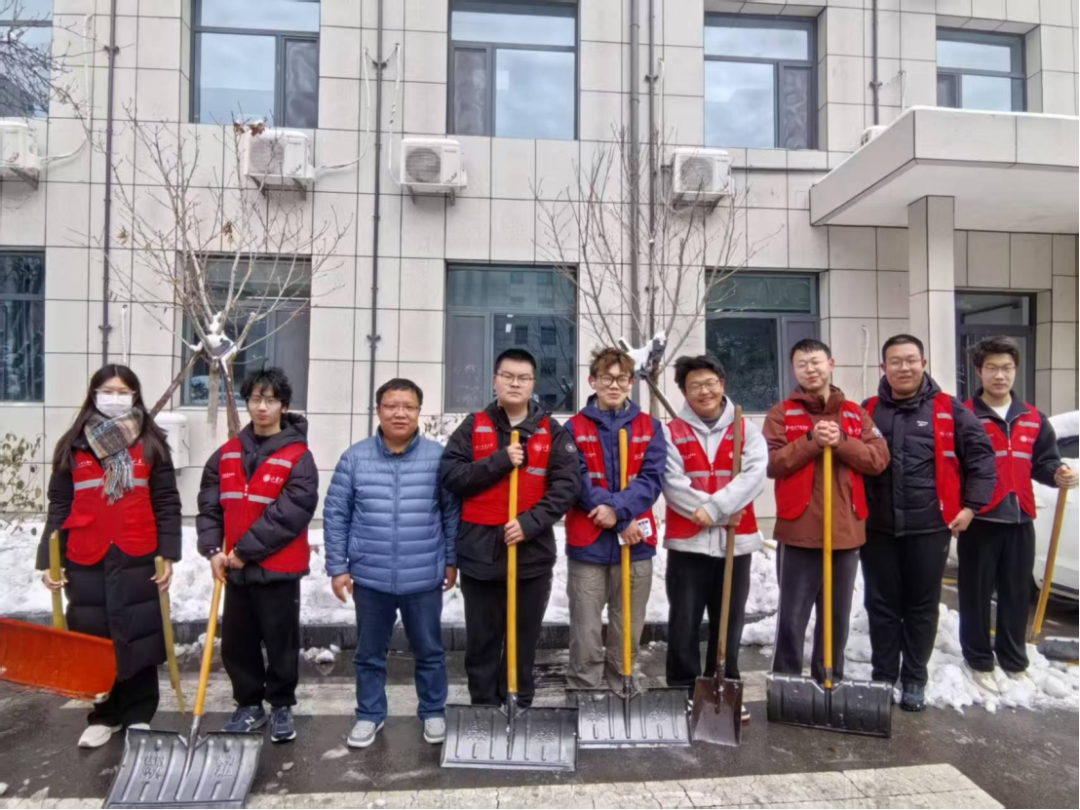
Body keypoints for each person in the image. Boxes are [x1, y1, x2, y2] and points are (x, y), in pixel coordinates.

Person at [39, 364, 182, 748]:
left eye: (123, 392)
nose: (114, 398)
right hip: (86, 555)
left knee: (139, 634)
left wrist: (169, 553)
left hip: (138, 553)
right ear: (93, 395)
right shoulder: (74, 445)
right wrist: (48, 560)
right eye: (107, 391)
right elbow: (60, 504)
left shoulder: (151, 443)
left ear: (135, 397)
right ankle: (105, 715)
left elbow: (166, 501)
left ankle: (138, 715)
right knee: (94, 637)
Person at [439, 348, 580, 711]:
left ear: (533, 384)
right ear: (495, 381)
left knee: (523, 639)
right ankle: (484, 707)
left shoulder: (552, 432)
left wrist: (530, 523)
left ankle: (519, 702)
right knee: (482, 640)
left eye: (523, 378)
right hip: (479, 555)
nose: (515, 383)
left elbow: (566, 487)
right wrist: (500, 461)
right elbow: (452, 476)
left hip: (532, 557)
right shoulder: (472, 427)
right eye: (508, 376)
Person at [323, 378, 460, 749]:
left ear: (419, 412)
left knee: (430, 650)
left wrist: (451, 560)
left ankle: (433, 710)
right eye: (391, 406)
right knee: (369, 654)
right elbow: (336, 514)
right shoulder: (354, 458)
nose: (400, 413)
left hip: (423, 576)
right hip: (370, 577)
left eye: (409, 406)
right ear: (378, 410)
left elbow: (451, 514)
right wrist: (338, 567)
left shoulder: (438, 458)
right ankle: (369, 714)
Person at [862, 334, 995, 711]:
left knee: (921, 607)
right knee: (881, 605)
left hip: (929, 526)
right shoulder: (867, 410)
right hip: (877, 528)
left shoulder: (949, 410)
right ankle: (883, 675)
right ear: (883, 367)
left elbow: (982, 459)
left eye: (911, 360)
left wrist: (971, 507)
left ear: (923, 363)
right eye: (895, 361)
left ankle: (914, 679)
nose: (903, 368)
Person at [196, 367, 319, 743]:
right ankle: (248, 703)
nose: (262, 407)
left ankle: (281, 704)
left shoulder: (298, 456)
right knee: (238, 642)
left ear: (284, 406)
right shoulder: (226, 454)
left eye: (270, 400)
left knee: (281, 641)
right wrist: (213, 550)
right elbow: (210, 507)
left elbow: (290, 513)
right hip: (235, 569)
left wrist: (244, 551)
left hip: (278, 568)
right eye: (255, 399)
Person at [764, 340, 889, 691]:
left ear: (830, 364)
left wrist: (843, 441)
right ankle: (786, 683)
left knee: (836, 616)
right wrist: (811, 441)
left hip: (845, 530)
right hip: (798, 530)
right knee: (792, 616)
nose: (810, 369)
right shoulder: (781, 414)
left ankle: (829, 680)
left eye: (816, 362)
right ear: (794, 370)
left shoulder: (855, 414)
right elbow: (771, 463)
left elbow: (878, 459)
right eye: (801, 364)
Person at [958, 336, 1076, 691]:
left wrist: (1058, 474)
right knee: (975, 593)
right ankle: (978, 658)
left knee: (1016, 593)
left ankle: (1012, 657)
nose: (1000, 375)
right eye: (992, 368)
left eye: (1007, 368)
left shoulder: (1033, 418)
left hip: (1021, 516)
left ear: (1015, 370)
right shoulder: (964, 415)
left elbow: (1045, 462)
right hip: (979, 519)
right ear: (979, 371)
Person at [663, 354, 767, 723]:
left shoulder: (746, 429)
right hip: (688, 543)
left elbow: (755, 475)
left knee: (729, 619)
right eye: (694, 386)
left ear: (722, 384)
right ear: (683, 391)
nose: (704, 391)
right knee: (685, 619)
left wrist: (718, 507)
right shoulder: (671, 432)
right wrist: (713, 512)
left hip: (735, 544)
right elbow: (672, 483)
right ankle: (683, 688)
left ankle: (724, 684)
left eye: (710, 383)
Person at [563, 347, 666, 694]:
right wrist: (620, 519)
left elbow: (651, 480)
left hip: (636, 545)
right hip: (589, 543)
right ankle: (583, 690)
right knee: (585, 628)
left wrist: (617, 512)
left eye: (622, 378)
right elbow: (576, 481)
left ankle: (622, 682)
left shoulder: (649, 427)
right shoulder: (573, 428)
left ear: (631, 383)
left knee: (628, 625)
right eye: (606, 378)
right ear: (592, 381)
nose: (614, 384)